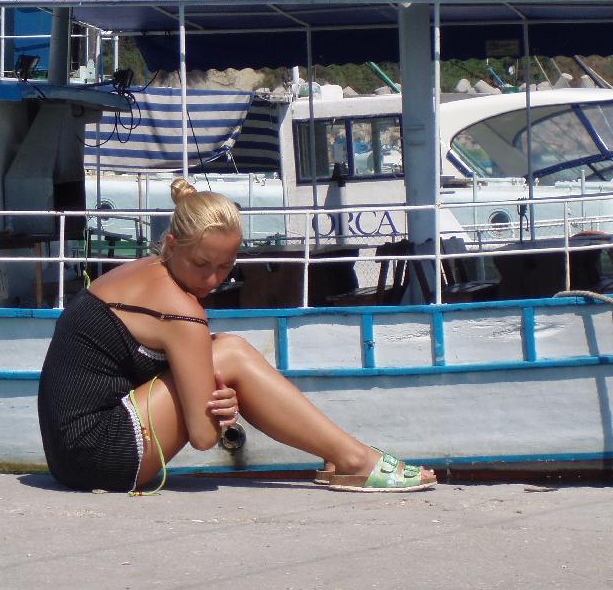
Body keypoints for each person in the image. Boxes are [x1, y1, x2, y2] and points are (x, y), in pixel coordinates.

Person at [37, 178, 436, 494]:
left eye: (227, 265)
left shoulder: (138, 271)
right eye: (201, 264)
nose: (213, 279)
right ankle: (353, 459)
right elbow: (203, 438)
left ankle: (342, 455)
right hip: (102, 454)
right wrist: (221, 410)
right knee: (229, 353)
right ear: (172, 244)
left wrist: (208, 391)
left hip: (67, 455)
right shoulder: (179, 308)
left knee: (223, 351)